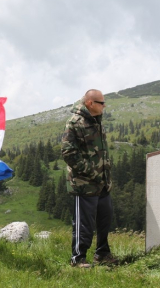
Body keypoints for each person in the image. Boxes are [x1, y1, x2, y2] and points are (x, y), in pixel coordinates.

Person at [61, 89, 118, 268]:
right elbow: (68, 153)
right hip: (84, 184)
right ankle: (78, 259)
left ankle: (102, 253)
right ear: (90, 103)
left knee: (104, 219)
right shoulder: (74, 123)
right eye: (101, 103)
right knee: (84, 223)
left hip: (102, 184)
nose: (104, 106)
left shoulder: (97, 121)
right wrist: (91, 172)